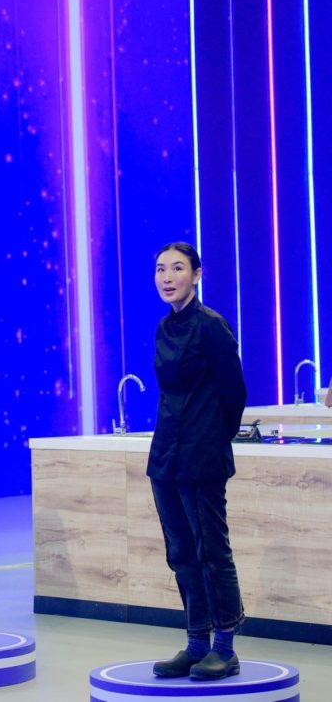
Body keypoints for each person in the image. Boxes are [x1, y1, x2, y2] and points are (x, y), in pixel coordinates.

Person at [149, 242, 247, 681]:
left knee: (212, 552)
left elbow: (234, 394)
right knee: (181, 553)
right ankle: (195, 642)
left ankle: (224, 647)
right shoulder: (162, 328)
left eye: (177, 269)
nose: (167, 278)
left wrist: (212, 438)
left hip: (202, 456)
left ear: (197, 274)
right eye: (161, 269)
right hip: (165, 455)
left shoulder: (212, 327)